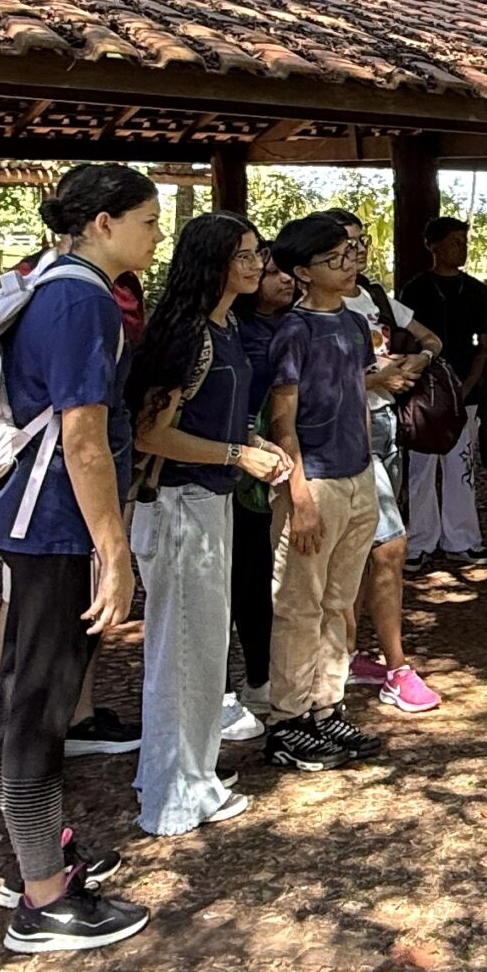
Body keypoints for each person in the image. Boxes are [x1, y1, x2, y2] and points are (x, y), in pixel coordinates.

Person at [0, 164, 157, 952]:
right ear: (101, 222)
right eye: (147, 221)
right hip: (56, 523)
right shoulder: (82, 296)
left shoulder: (53, 281)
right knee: (38, 705)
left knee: (32, 693)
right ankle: (42, 901)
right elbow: (82, 434)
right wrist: (112, 548)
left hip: (45, 520)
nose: (156, 237)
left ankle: (39, 855)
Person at [125, 214, 292, 836]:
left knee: (196, 653)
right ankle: (174, 795)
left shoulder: (223, 328)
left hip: (207, 502)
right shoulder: (190, 335)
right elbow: (151, 432)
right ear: (213, 263)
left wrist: (249, 444)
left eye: (259, 255)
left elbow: (209, 419)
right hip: (178, 507)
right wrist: (235, 455)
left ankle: (180, 772)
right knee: (186, 656)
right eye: (245, 257)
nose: (256, 266)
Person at [259, 214, 395, 772]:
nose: (351, 262)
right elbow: (282, 419)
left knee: (339, 602)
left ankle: (326, 704)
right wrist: (300, 496)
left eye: (354, 251)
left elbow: (356, 395)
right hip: (312, 479)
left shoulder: (354, 323)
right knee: (299, 604)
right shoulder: (294, 330)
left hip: (357, 474)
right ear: (303, 271)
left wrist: (367, 469)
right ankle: (288, 720)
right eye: (337, 256)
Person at [323, 211, 446, 715]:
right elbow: (303, 389)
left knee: (365, 549)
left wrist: (415, 362)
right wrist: (371, 382)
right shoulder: (309, 311)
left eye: (360, 243)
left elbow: (432, 340)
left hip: (387, 428)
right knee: (389, 547)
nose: (355, 254)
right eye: (344, 247)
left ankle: (349, 655)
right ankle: (397, 666)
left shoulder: (374, 298)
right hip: (346, 435)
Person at [228, 256, 306, 715]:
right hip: (240, 463)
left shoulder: (298, 325)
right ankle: (230, 686)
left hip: (283, 461)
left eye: (284, 270)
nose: (281, 278)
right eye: (270, 270)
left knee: (270, 578)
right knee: (240, 577)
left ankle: (264, 676)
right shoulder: (232, 328)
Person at [399, 214, 487, 571]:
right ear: (433, 246)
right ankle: (419, 541)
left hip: (464, 395)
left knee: (461, 467)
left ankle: (462, 540)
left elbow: (486, 345)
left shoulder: (476, 291)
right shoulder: (416, 289)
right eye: (454, 241)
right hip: (422, 396)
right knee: (420, 468)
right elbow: (405, 339)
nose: (462, 248)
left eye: (464, 241)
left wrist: (466, 386)